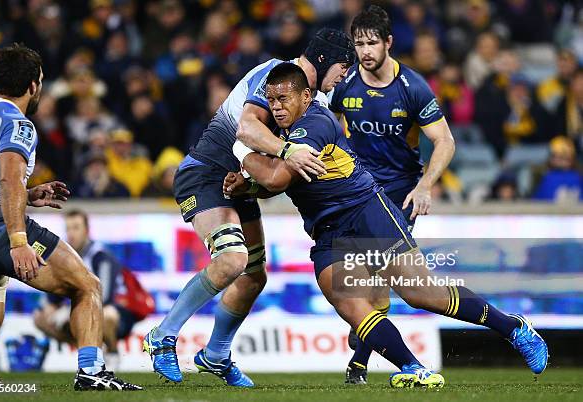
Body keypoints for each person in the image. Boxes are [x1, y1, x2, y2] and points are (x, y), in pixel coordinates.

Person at [224, 63, 548, 388]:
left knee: (422, 294)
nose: (277, 107)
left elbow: (277, 177)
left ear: (306, 96)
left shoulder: (315, 122)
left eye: (284, 98)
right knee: (349, 303)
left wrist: (241, 151)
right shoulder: (282, 136)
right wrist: (247, 187)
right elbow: (278, 182)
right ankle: (414, 368)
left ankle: (513, 327)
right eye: (272, 100)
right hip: (327, 229)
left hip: (366, 212)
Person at [142, 28, 356, 387]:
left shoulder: (311, 106)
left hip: (239, 186)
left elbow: (275, 181)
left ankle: (215, 354)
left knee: (254, 276)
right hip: (205, 173)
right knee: (232, 259)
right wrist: (288, 151)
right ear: (323, 60)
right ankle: (163, 336)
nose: (343, 78)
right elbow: (245, 128)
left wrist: (256, 182)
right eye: (342, 68)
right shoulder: (274, 75)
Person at [0, 43, 140, 391]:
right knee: (87, 285)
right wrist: (18, 241)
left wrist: (29, 195)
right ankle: (91, 371)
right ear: (34, 85)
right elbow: (8, 178)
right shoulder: (17, 123)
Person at [327, 5, 456, 384]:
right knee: (368, 279)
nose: (365, 51)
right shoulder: (345, 82)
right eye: (359, 44)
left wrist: (425, 186)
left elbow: (444, 141)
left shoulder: (412, 87)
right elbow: (325, 121)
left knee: (377, 275)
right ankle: (360, 359)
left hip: (399, 192)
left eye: (371, 43)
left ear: (389, 43)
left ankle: (360, 357)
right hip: (355, 189)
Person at [34, 209, 141, 370]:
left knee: (107, 315)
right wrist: (51, 307)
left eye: (76, 227)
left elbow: (104, 297)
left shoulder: (101, 256)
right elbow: (52, 295)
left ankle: (112, 353)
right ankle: (89, 353)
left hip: (118, 312)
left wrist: (68, 310)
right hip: (82, 309)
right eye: (68, 228)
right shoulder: (64, 257)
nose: (71, 233)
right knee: (40, 318)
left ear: (87, 230)